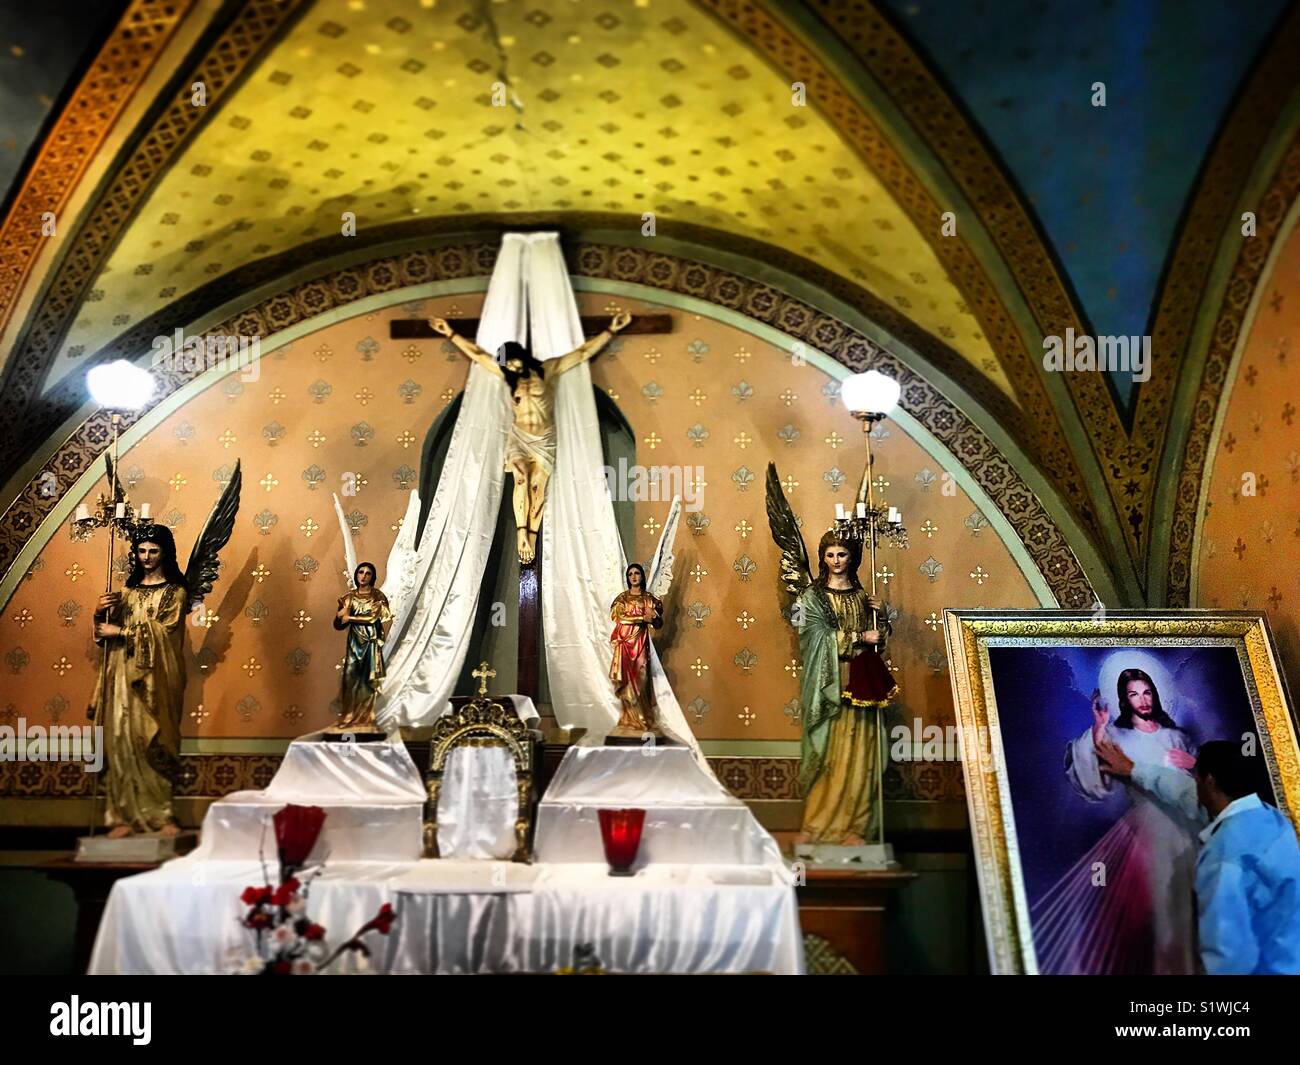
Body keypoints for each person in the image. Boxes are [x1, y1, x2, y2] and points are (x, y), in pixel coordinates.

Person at [1035, 667, 1202, 974]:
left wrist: (1194, 764)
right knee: (1166, 913)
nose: (1142, 700)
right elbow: (1096, 769)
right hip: (1152, 833)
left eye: (1147, 691)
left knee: (1199, 910)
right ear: (1124, 700)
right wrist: (1100, 728)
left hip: (1192, 830)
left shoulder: (1177, 737)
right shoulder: (1119, 737)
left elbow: (1207, 785)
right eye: (1133, 694)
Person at [430, 312, 631, 564]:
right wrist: (450, 334)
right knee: (521, 479)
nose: (512, 368)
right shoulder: (508, 377)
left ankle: (532, 536)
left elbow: (581, 354)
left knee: (537, 489)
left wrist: (610, 331)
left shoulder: (547, 370)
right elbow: (479, 356)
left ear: (521, 356)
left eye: (514, 362)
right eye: (508, 366)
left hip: (544, 438)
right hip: (519, 436)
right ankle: (521, 534)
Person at [792, 531, 892, 846]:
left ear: (853, 558)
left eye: (843, 554)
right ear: (822, 557)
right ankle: (818, 825)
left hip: (861, 684)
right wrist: (860, 637)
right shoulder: (812, 596)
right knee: (830, 755)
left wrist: (883, 617)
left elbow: (880, 643)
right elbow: (811, 637)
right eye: (831, 554)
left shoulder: (864, 597)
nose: (836, 561)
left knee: (862, 754)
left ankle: (856, 827)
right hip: (830, 685)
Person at [90, 525, 188, 837]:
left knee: (151, 738)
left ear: (165, 553)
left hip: (154, 681)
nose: (146, 557)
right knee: (120, 737)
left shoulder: (175, 592)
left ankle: (161, 814)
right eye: (141, 551)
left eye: (153, 551)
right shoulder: (127, 594)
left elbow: (165, 632)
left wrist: (119, 632)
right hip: (121, 675)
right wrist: (99, 615)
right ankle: (121, 816)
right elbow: (103, 636)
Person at [1192, 740, 1300, 975]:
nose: (1195, 786)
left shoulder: (1223, 851)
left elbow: (1228, 952)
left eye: (1196, 778)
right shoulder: (1273, 818)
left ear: (1209, 779)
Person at [332, 561, 393, 732]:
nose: (363, 576)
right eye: (361, 572)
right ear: (356, 575)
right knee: (350, 678)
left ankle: (365, 718)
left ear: (373, 577)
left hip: (371, 643)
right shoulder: (348, 598)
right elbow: (338, 625)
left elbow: (373, 619)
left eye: (368, 573)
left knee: (367, 680)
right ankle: (348, 716)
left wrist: (349, 618)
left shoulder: (378, 597)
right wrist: (339, 615)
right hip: (354, 643)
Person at [608, 562, 663, 736]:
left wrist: (653, 616)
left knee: (642, 679)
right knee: (625, 682)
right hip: (624, 644)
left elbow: (658, 623)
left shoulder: (649, 599)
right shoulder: (622, 599)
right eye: (630, 573)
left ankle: (644, 718)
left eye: (637, 573)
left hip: (640, 645)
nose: (633, 576)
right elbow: (618, 617)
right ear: (627, 577)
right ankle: (629, 720)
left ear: (641, 576)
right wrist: (642, 617)